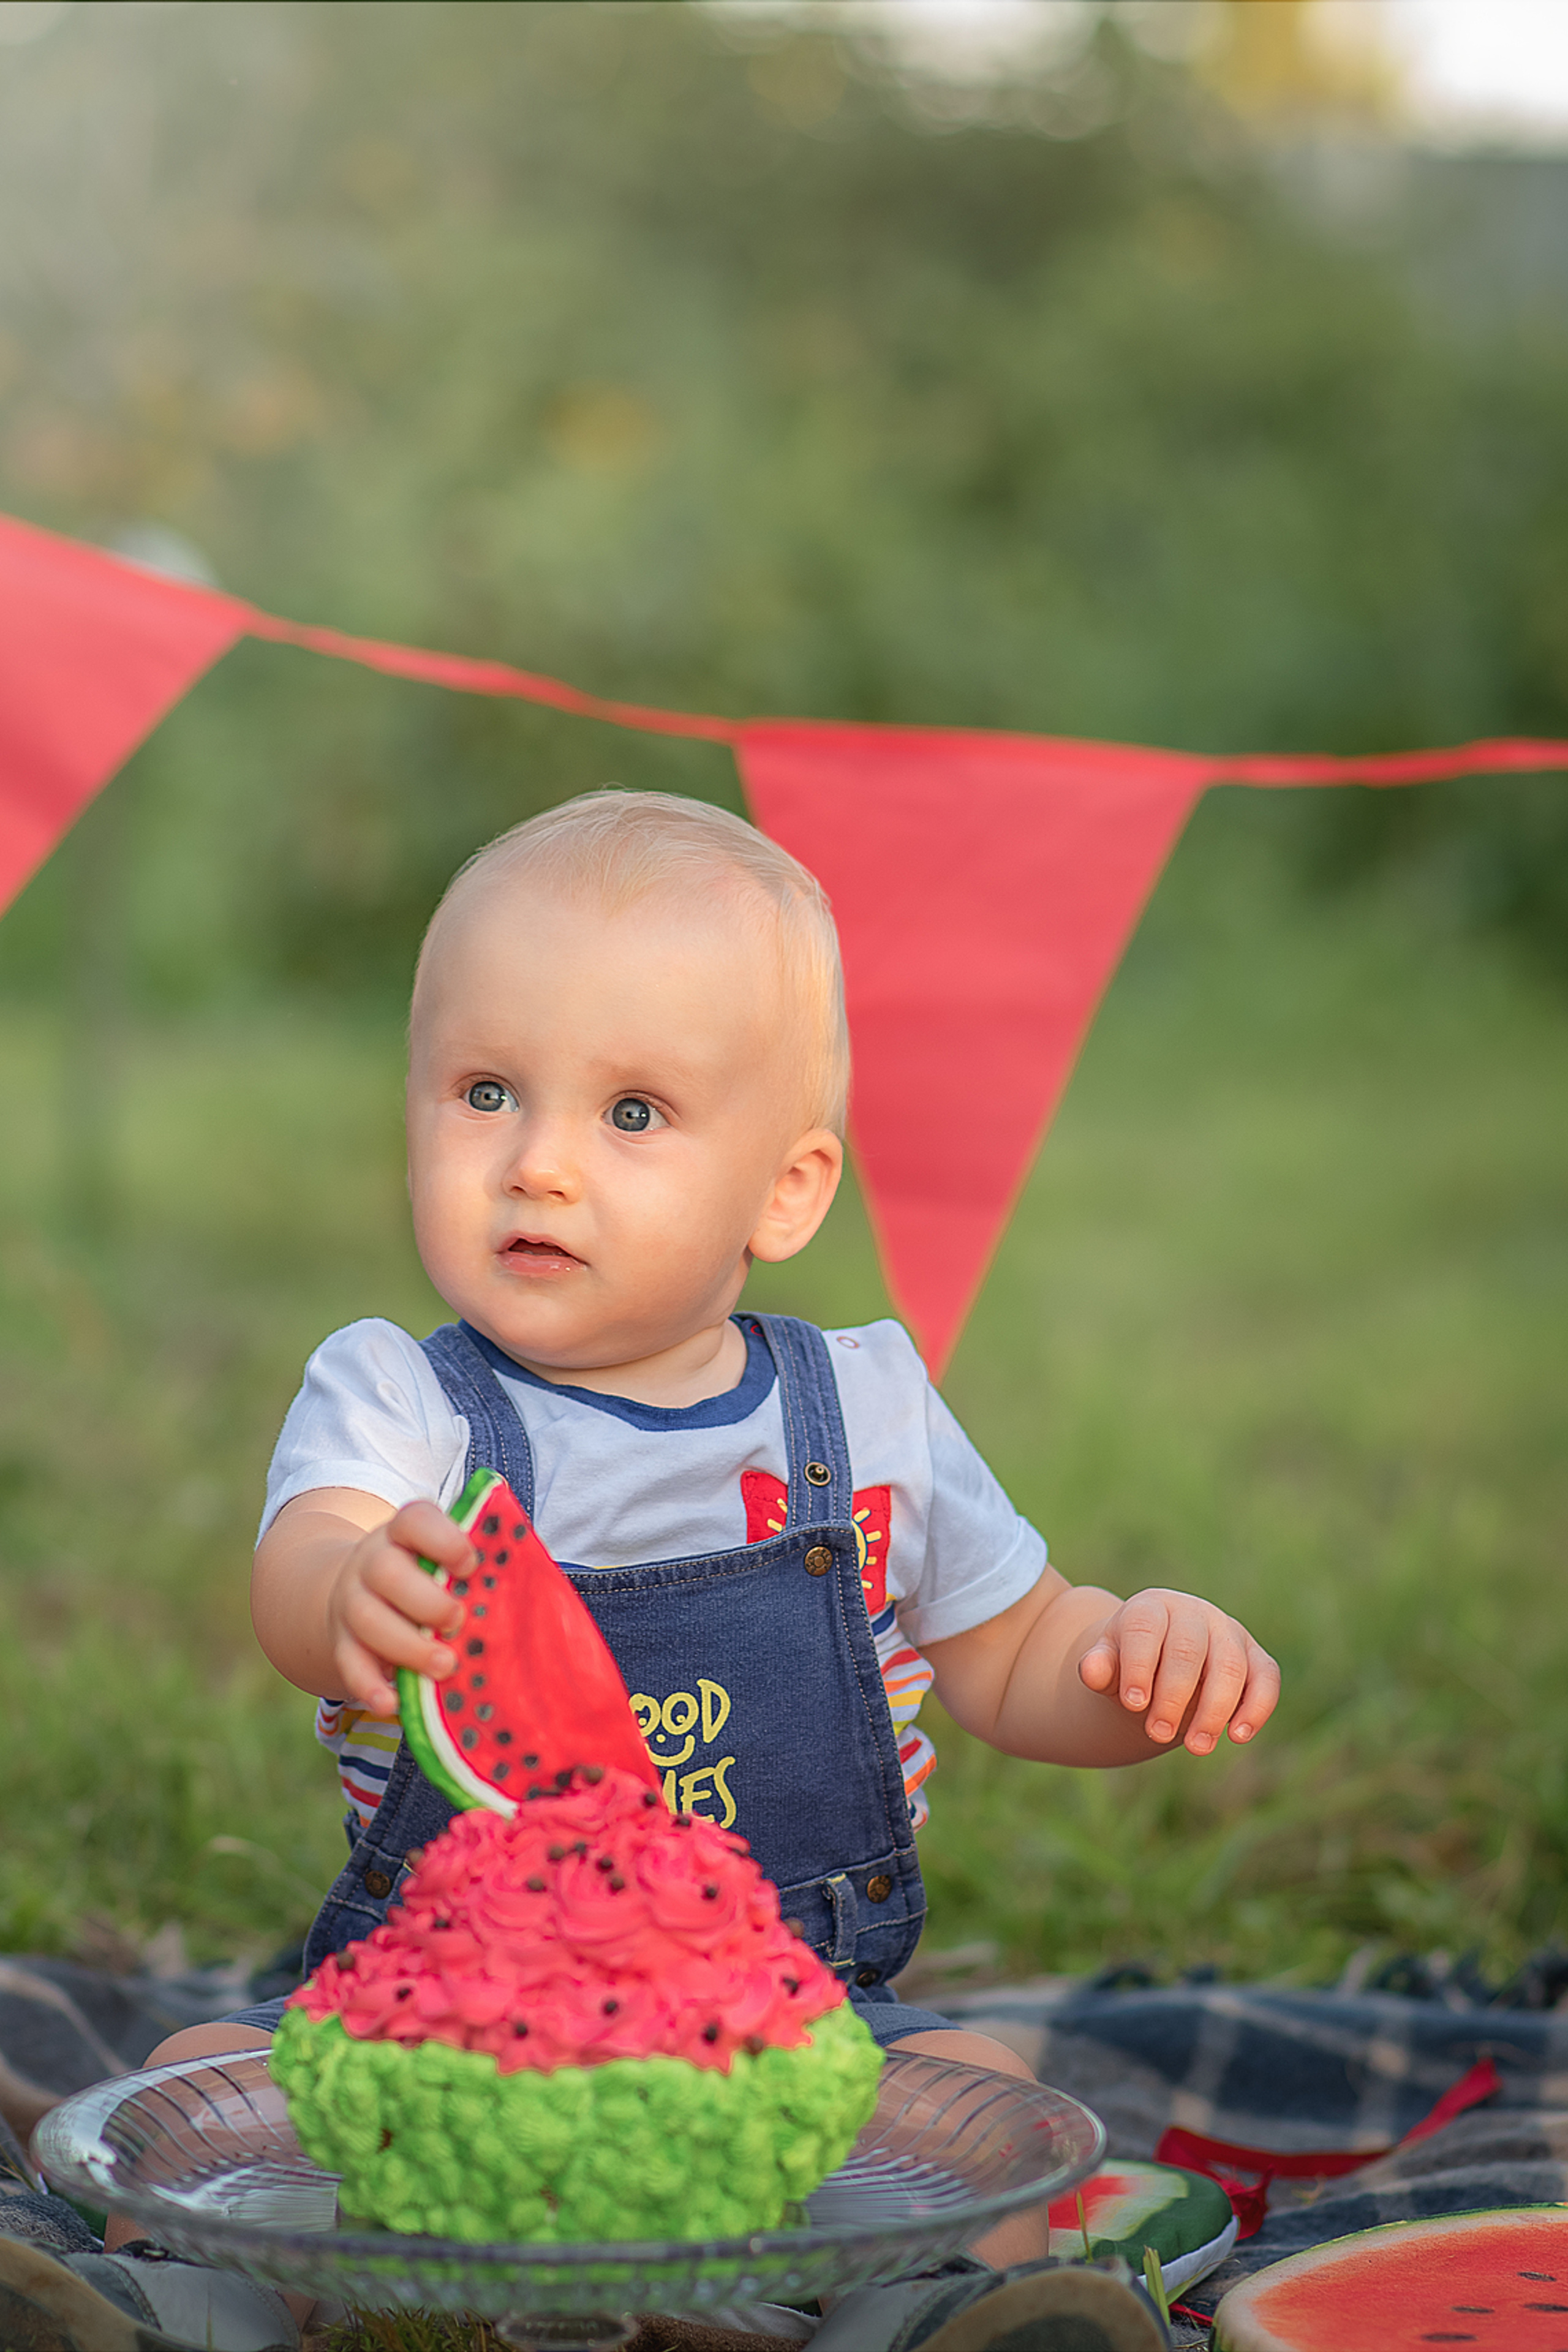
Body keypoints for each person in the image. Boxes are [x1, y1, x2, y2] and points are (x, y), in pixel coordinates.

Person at [3, 792, 1278, 2352]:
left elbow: (1015, 1652)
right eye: (485, 1091)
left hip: (786, 2044)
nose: (537, 1165)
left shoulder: (865, 1408)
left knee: (991, 2112)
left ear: (787, 1192)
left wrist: (1128, 1665)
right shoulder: (399, 1396)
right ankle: (158, 2313)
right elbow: (305, 1562)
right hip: (437, 2036)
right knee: (197, 2081)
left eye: (631, 1116)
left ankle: (946, 2330)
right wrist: (345, 1590)